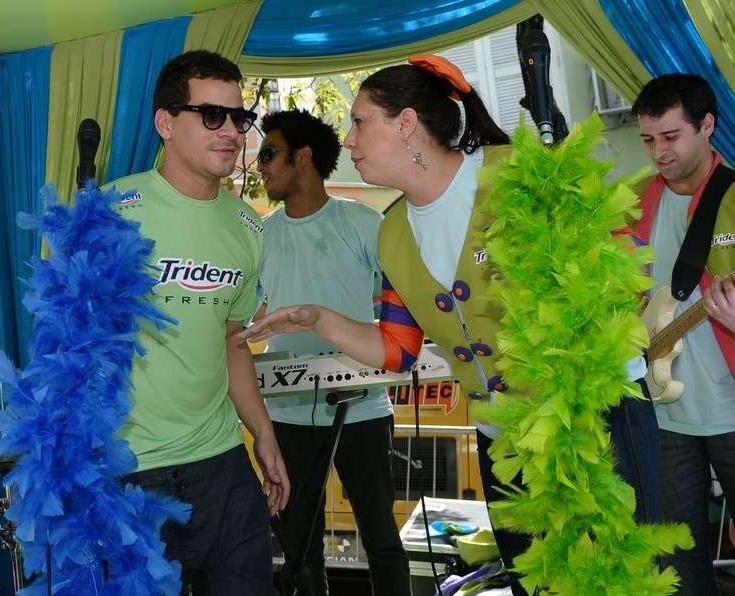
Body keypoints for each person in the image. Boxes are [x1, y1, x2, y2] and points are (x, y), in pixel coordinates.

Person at [238, 55, 659, 596]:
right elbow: (396, 349)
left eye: (361, 120)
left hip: (596, 420)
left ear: (407, 123)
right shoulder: (391, 233)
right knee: (536, 584)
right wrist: (319, 317)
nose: (350, 138)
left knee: (619, 581)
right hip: (501, 438)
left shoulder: (517, 174)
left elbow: (624, 276)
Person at [107, 50, 290, 595]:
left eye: (240, 118)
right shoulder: (112, 211)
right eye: (212, 116)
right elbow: (66, 347)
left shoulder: (245, 227)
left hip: (221, 463)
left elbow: (232, 343)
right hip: (131, 471)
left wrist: (263, 435)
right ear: (166, 122)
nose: (231, 131)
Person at [254, 108, 410, 595]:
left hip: (362, 407)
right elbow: (242, 315)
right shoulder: (259, 235)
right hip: (286, 414)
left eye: (267, 153)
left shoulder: (361, 220)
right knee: (298, 548)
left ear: (303, 157)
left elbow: (407, 296)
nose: (259, 166)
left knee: (381, 539)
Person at [632, 73, 735, 596]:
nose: (658, 152)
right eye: (649, 140)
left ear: (707, 125)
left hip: (732, 410)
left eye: (670, 137)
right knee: (677, 565)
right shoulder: (626, 205)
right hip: (662, 414)